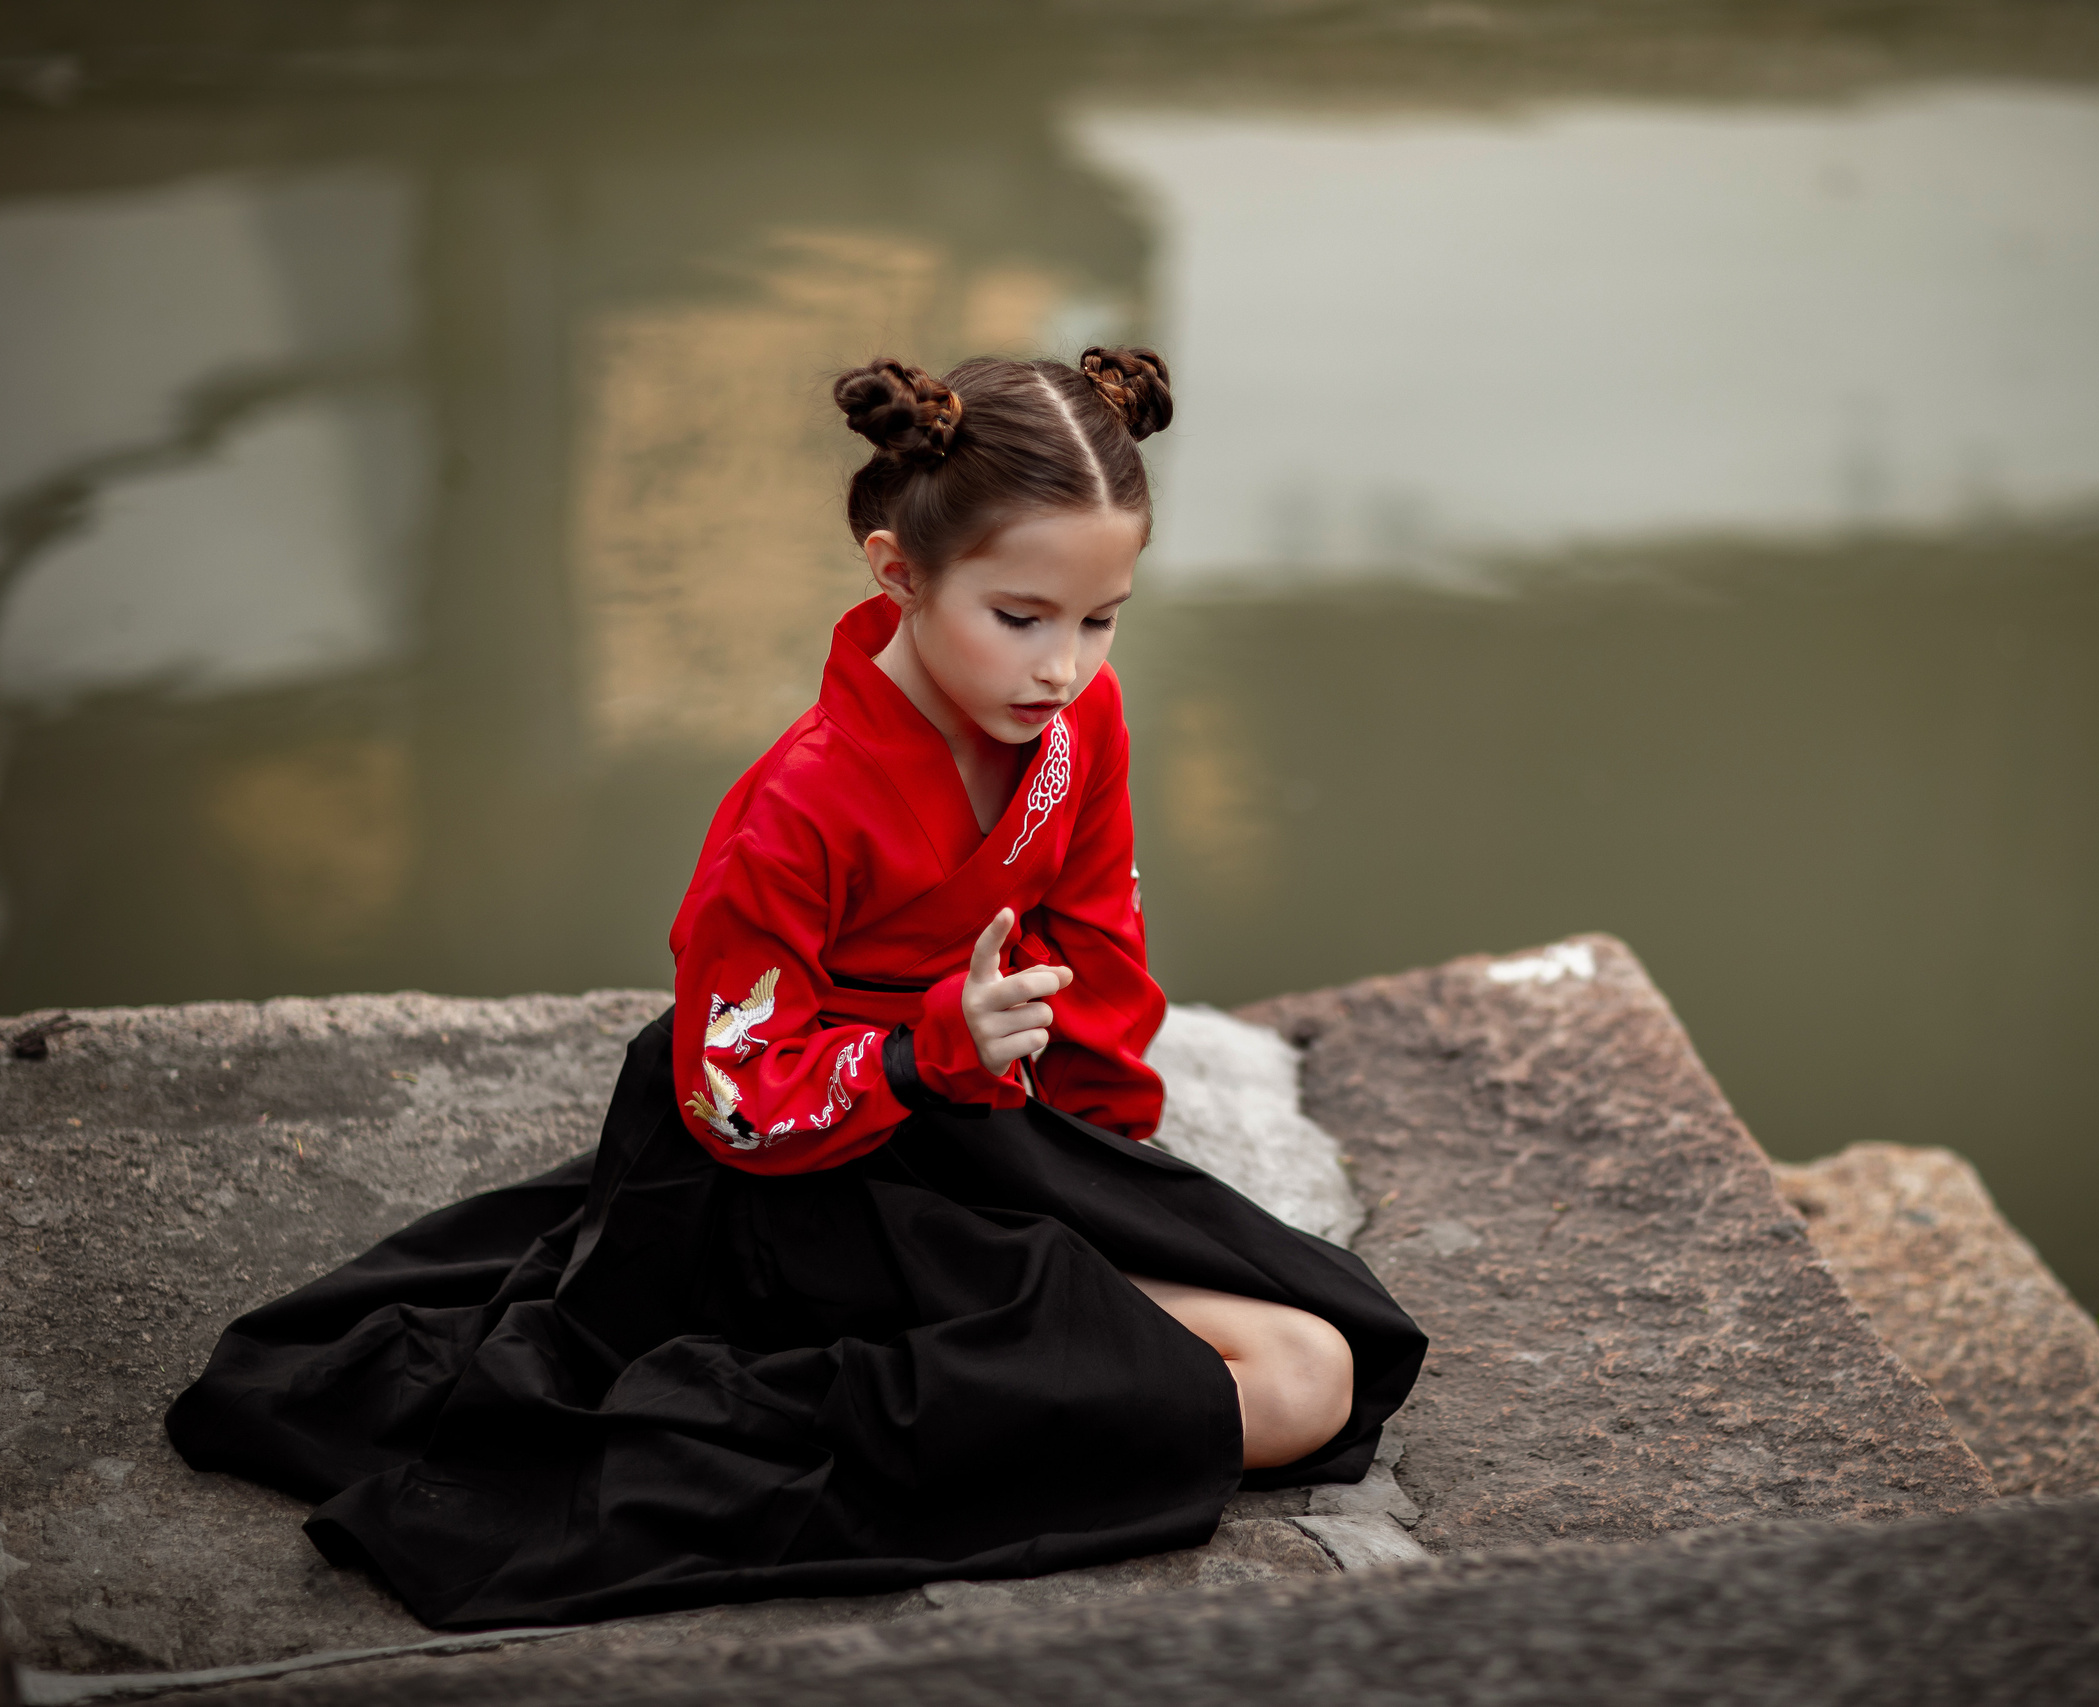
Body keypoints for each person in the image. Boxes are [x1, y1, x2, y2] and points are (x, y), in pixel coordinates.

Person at [165, 347, 1427, 1629]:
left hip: (982, 1137)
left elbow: (1095, 942)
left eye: (1100, 619)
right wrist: (920, 1057)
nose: (1062, 664)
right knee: (1283, 1386)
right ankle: (764, 1408)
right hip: (791, 1177)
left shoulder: (1076, 724)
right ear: (899, 571)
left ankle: (965, 1361)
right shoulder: (800, 806)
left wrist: (1103, 1169)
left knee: (1325, 1361)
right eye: (1020, 616)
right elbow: (728, 1088)